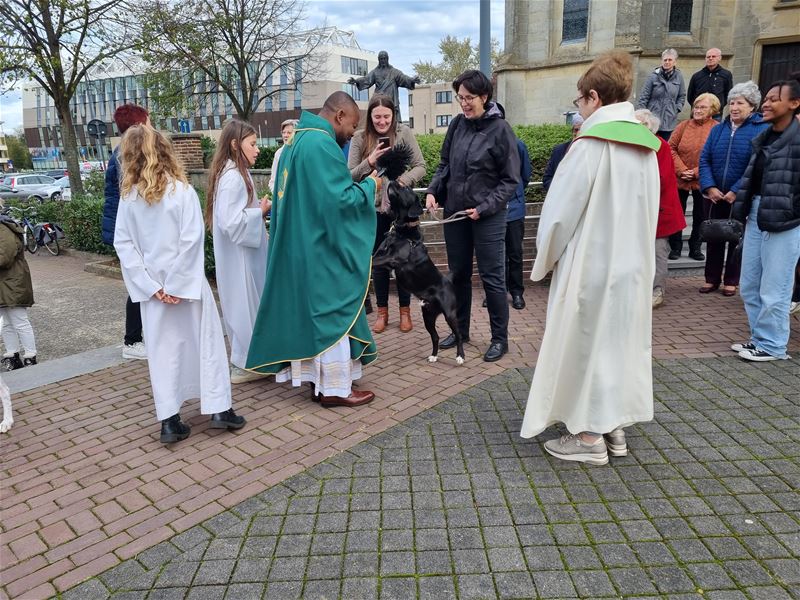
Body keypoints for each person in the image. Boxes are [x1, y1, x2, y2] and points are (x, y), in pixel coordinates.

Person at [520, 51, 661, 465]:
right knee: (617, 343)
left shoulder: (590, 146)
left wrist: (543, 261)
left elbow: (559, 216)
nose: (578, 107)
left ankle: (586, 437)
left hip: (591, 267)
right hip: (632, 266)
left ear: (594, 97)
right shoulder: (648, 147)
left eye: (579, 100)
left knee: (584, 346)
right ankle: (613, 424)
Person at [246, 92, 380, 408]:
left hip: (300, 244)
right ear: (340, 115)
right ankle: (335, 388)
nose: (352, 133)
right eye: (353, 125)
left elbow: (314, 195)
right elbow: (340, 202)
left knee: (315, 314)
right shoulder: (322, 145)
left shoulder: (295, 142)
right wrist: (371, 186)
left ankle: (320, 383)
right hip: (321, 249)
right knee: (332, 313)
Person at [114, 125, 245, 444]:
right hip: (186, 287)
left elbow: (124, 244)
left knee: (163, 352)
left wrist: (151, 285)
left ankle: (170, 421)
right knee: (207, 344)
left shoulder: (129, 198)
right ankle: (219, 409)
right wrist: (175, 283)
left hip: (154, 292)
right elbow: (191, 239)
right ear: (164, 151)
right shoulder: (181, 191)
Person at [425, 70, 521, 362]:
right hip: (456, 212)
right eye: (460, 98)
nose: (464, 104)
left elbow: (510, 180)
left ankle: (499, 339)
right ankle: (461, 330)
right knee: (458, 276)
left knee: (492, 278)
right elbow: (445, 165)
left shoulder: (501, 130)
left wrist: (484, 208)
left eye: (469, 98)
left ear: (485, 97)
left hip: (487, 216)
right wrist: (433, 191)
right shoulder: (457, 125)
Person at [731, 79, 800, 361]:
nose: (767, 103)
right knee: (749, 283)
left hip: (785, 220)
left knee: (776, 286)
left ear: (794, 104)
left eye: (774, 99)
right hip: (757, 213)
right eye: (767, 98)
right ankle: (759, 338)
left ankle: (773, 345)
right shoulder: (765, 136)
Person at [348, 95, 426, 334]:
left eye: (386, 116)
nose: (382, 122)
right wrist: (369, 162)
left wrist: (403, 180)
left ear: (393, 115)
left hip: (400, 210)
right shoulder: (360, 138)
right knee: (379, 262)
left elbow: (421, 166)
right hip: (372, 210)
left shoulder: (404, 133)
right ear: (370, 117)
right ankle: (382, 312)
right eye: (377, 117)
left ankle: (405, 311)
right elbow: (349, 175)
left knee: (404, 261)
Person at [206, 119, 271, 384]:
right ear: (235, 145)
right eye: (253, 144)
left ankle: (253, 359)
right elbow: (231, 222)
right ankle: (248, 363)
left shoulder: (233, 173)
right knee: (244, 306)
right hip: (240, 259)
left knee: (246, 305)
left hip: (242, 256)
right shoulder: (233, 178)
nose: (257, 150)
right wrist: (261, 212)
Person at [698, 81, 769, 296]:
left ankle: (731, 279)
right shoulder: (718, 129)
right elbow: (705, 159)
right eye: (732, 102)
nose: (735, 107)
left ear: (752, 106)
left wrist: (737, 190)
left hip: (741, 195)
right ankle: (711, 278)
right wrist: (709, 186)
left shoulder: (762, 129)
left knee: (736, 239)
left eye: (740, 103)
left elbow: (757, 164)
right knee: (714, 235)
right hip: (715, 195)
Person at [101, 104, 150, 360]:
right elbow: (132, 194)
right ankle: (132, 341)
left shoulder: (122, 152)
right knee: (137, 284)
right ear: (139, 124)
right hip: (128, 231)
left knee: (138, 282)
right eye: (148, 121)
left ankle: (138, 338)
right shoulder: (125, 154)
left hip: (125, 229)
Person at [635, 109, 686, 309]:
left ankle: (657, 291)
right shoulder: (637, 146)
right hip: (642, 208)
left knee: (658, 251)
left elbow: (661, 179)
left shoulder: (660, 145)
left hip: (659, 209)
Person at [668, 92, 720, 260]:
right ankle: (675, 247)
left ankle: (695, 247)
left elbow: (716, 153)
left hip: (703, 179)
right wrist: (682, 169)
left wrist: (696, 171)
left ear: (712, 109)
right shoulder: (683, 125)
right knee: (677, 213)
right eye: (696, 107)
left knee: (700, 215)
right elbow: (671, 148)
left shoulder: (716, 128)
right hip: (680, 178)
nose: (697, 110)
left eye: (702, 107)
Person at [0, 210, 37, 371]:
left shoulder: (3, 228)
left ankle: (30, 356)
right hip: (4, 282)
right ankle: (12, 355)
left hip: (12, 281)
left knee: (19, 320)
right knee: (6, 322)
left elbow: (5, 257)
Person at [348, 51, 420, 120]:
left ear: (387, 59)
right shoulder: (375, 72)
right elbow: (367, 79)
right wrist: (356, 81)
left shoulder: (394, 72)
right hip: (379, 99)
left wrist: (412, 80)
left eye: (384, 58)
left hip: (391, 100)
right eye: (381, 59)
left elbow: (403, 78)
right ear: (379, 60)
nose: (383, 60)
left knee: (393, 119)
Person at [505, 136, 532, 310]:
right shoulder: (484, 144)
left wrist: (516, 193)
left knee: (515, 253)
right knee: (495, 256)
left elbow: (525, 175)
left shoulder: (518, 144)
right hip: (491, 211)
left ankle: (516, 292)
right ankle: (497, 292)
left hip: (514, 209)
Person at [637, 48, 686, 140]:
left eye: (670, 60)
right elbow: (644, 97)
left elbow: (681, 96)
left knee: (664, 146)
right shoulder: (653, 77)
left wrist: (676, 109)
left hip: (669, 120)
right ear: (661, 61)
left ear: (675, 62)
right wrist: (643, 116)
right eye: (665, 60)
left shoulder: (679, 77)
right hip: (652, 119)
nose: (667, 62)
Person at [543, 115, 583, 192]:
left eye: (582, 130)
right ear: (572, 131)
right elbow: (547, 178)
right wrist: (558, 189)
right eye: (576, 130)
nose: (578, 133)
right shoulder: (559, 150)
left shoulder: (592, 151)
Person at [686, 48, 733, 113]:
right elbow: (690, 96)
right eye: (708, 57)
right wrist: (697, 107)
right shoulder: (696, 76)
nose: (710, 58)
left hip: (716, 113)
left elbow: (728, 94)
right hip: (698, 112)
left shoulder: (726, 75)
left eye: (713, 56)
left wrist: (719, 106)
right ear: (705, 59)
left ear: (719, 58)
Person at [268, 119, 297, 195]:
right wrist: (278, 196)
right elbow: (273, 180)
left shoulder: (301, 151)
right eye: (283, 132)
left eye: (289, 133)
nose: (285, 135)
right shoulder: (279, 153)